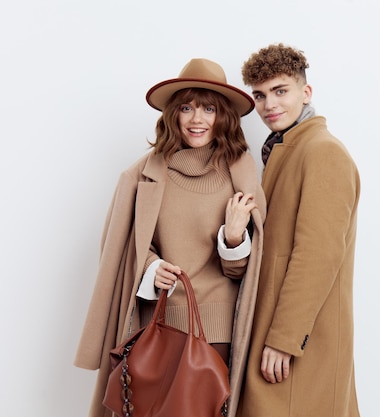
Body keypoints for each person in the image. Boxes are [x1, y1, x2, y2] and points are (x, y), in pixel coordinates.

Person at [74, 58, 266, 417]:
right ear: (173, 115)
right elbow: (123, 248)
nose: (197, 119)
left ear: (223, 115)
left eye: (209, 108)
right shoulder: (142, 174)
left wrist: (236, 235)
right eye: (187, 107)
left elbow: (244, 274)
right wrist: (151, 267)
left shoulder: (240, 172)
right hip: (157, 327)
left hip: (217, 334)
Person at [237, 43, 361, 417]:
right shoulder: (286, 148)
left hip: (299, 341)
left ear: (305, 93)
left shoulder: (322, 152)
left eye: (280, 91)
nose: (268, 105)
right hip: (275, 329)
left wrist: (286, 339)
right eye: (259, 95)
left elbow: (319, 255)